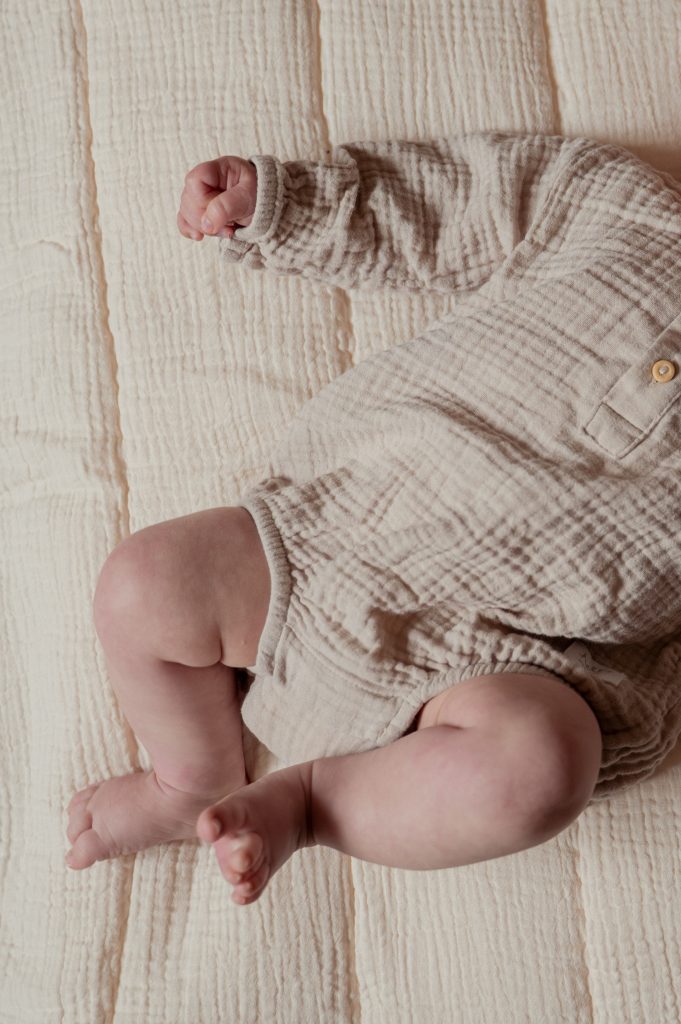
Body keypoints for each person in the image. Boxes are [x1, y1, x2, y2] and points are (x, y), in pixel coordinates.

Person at [65, 132, 681, 906]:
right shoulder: (615, 204)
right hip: (331, 535)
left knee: (541, 769)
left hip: (510, 663)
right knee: (143, 583)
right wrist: (285, 204)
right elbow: (444, 205)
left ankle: (313, 803)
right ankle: (187, 778)